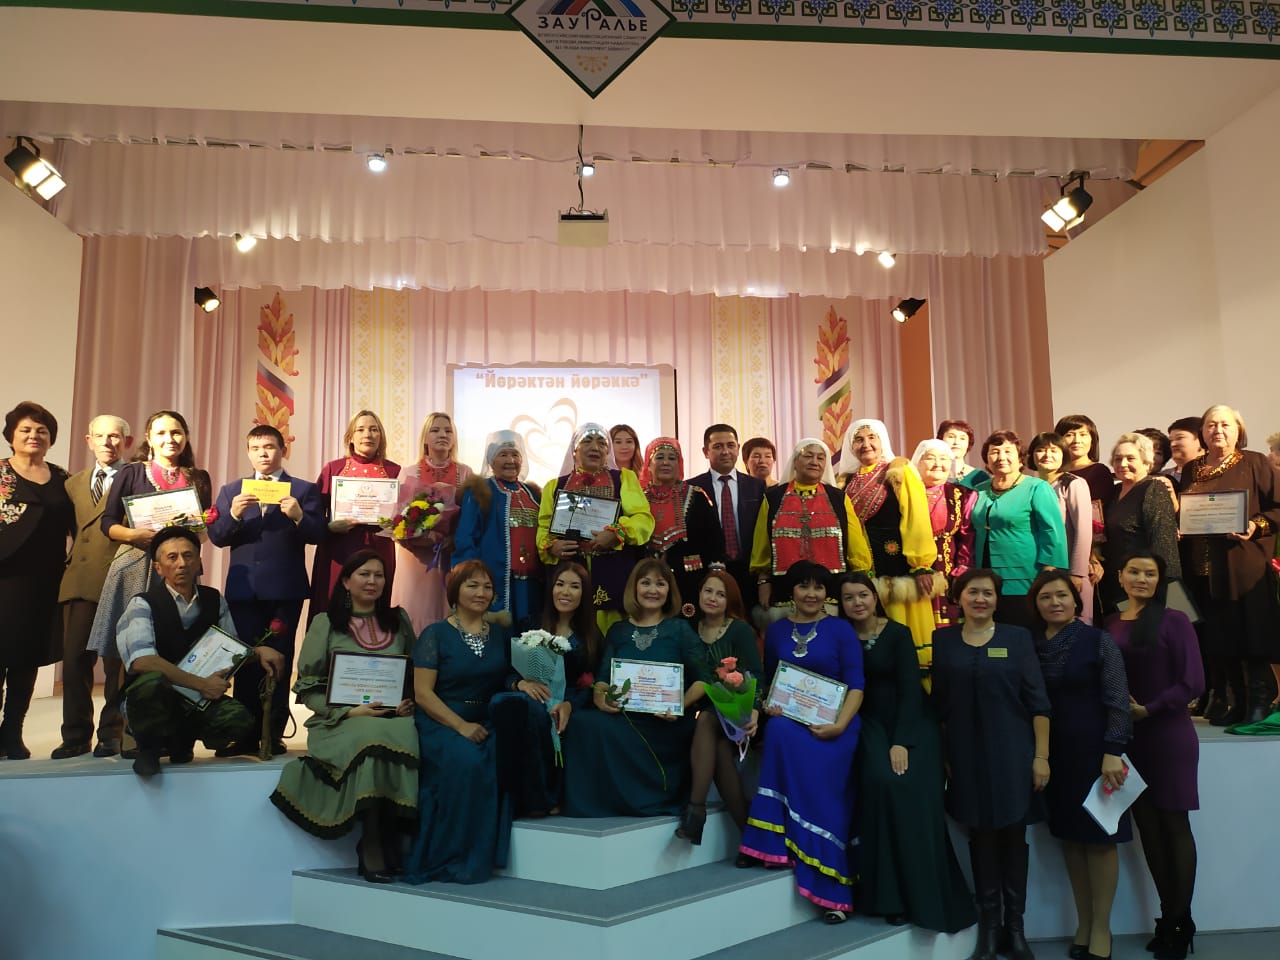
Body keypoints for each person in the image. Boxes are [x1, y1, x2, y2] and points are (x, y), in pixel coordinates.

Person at [836, 571, 975, 933]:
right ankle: (889, 898)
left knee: (908, 788)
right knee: (881, 784)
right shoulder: (839, 635)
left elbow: (911, 689)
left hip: (910, 722)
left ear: (875, 597)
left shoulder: (897, 633)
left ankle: (920, 895)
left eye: (863, 595)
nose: (857, 603)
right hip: (866, 723)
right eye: (849, 597)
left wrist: (902, 741)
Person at [269, 550, 418, 882]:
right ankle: (373, 841)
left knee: (408, 732)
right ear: (346, 581)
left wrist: (408, 701)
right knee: (370, 738)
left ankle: (392, 833)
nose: (372, 581)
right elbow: (307, 687)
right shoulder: (325, 623)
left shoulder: (399, 620)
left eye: (379, 575)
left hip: (394, 716)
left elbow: (412, 674)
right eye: (364, 574)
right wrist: (349, 710)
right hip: (340, 720)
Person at [931, 568, 1051, 960]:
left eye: (987, 593)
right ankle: (989, 930)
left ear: (998, 599)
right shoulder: (943, 640)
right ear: (959, 598)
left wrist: (1041, 757)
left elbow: (1038, 703)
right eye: (972, 592)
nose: (980, 599)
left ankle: (1015, 931)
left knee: (1014, 839)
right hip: (965, 757)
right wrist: (944, 756)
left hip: (1013, 755)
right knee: (980, 839)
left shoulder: (1017, 639)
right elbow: (940, 707)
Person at [737, 561, 865, 925]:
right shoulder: (777, 630)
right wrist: (768, 706)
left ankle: (831, 884)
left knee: (802, 758)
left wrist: (839, 725)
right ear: (790, 591)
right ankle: (773, 844)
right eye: (803, 586)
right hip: (791, 724)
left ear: (827, 593)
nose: (812, 594)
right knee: (777, 730)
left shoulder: (840, 629)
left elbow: (856, 686)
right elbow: (771, 681)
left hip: (836, 727)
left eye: (819, 587)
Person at [115, 526, 283, 777]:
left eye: (188, 555)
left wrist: (258, 651)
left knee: (239, 720)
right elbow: (142, 661)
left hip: (194, 699)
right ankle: (148, 748)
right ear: (159, 567)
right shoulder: (142, 603)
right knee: (152, 682)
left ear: (199, 562)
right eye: (172, 557)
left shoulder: (214, 599)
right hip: (154, 698)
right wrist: (201, 684)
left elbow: (230, 648)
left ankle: (181, 741)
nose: (181, 563)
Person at [1028, 570, 1132, 960]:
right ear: (1036, 605)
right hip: (1054, 756)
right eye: (1045, 597)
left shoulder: (1098, 640)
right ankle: (1083, 925)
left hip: (1097, 754)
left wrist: (1113, 749)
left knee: (1101, 840)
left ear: (1076, 601)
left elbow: (1118, 700)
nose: (1054, 602)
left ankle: (1102, 929)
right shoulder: (1031, 645)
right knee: (1071, 839)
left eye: (1062, 595)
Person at [1106, 552, 1204, 960]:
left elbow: (1193, 681)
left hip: (1168, 735)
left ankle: (1181, 921)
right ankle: (1168, 917)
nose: (1141, 578)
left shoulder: (1174, 620)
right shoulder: (1111, 623)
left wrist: (1150, 708)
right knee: (1147, 828)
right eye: (1134, 572)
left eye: (1150, 573)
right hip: (1130, 739)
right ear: (1120, 577)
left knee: (1174, 825)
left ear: (1159, 580)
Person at [207, 424, 327, 756]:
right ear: (248, 453)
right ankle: (244, 734)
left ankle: (272, 732)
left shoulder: (303, 490)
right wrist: (232, 514)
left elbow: (319, 534)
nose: (263, 453)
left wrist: (300, 516)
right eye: (256, 448)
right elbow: (217, 537)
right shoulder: (232, 491)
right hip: (243, 590)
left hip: (285, 590)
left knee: (279, 661)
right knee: (244, 659)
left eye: (270, 447)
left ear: (283, 450)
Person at [406, 560, 527, 883]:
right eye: (472, 585)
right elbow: (423, 694)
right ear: (455, 590)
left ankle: (486, 853)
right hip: (441, 721)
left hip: (484, 719)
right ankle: (452, 856)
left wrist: (520, 683)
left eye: (487, 587)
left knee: (502, 756)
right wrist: (460, 727)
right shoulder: (435, 634)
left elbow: (505, 675)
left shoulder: (499, 634)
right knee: (469, 761)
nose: (481, 592)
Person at [561, 558, 708, 818]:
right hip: (626, 717)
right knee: (582, 722)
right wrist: (601, 698)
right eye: (645, 583)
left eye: (660, 584)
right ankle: (600, 802)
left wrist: (678, 705)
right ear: (634, 588)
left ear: (669, 590)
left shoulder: (679, 629)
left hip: (666, 722)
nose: (652, 590)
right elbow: (603, 679)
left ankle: (654, 796)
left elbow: (704, 680)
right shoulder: (618, 631)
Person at [1178, 404, 1280, 725]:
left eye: (1225, 424)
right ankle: (1236, 700)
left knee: (1249, 631)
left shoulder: (1255, 463)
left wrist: (1255, 525)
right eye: (1211, 425)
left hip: (1242, 564)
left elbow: (1277, 507)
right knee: (1218, 635)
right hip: (1201, 568)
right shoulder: (1191, 469)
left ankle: (1260, 699)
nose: (1217, 430)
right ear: (1202, 432)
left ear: (1238, 431)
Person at [88, 410, 213, 662]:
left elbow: (203, 531)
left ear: (186, 436)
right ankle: (116, 689)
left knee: (177, 642)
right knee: (126, 644)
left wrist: (199, 531)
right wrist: (134, 535)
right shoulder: (131, 472)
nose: (169, 439)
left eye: (176, 432)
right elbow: (108, 523)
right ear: (149, 438)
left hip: (181, 566)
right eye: (161, 433)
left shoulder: (199, 478)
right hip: (136, 565)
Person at [52, 414, 133, 759]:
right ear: (88, 441)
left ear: (127, 442)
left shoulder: (137, 478)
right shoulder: (72, 484)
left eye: (115, 436)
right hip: (79, 580)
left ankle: (111, 733)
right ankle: (75, 735)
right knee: (74, 662)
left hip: (120, 579)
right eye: (100, 436)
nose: (107, 442)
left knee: (117, 664)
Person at [0, 402, 75, 759]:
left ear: (51, 438)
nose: (34, 436)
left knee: (27, 659)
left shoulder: (62, 478)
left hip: (44, 583)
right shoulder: (0, 473)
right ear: (11, 436)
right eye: (26, 430)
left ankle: (12, 732)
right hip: (4, 580)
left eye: (41, 431)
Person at [839, 419, 940, 684]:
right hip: (862, 572)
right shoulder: (845, 481)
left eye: (872, 437)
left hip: (899, 567)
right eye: (858, 439)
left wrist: (920, 563)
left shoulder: (898, 470)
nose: (866, 444)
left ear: (882, 440)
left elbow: (916, 517)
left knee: (903, 636)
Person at [496, 561, 598, 817]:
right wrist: (520, 683)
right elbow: (505, 670)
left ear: (584, 593)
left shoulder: (591, 635)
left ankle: (562, 796)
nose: (566, 592)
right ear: (551, 588)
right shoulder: (529, 624)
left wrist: (571, 705)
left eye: (575, 586)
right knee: (529, 714)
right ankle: (534, 799)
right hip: (535, 697)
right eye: (560, 584)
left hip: (570, 702)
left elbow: (595, 683)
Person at [537, 422, 654, 634]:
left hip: (614, 569)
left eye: (602, 443)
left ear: (607, 451)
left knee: (613, 634)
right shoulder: (554, 486)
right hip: (570, 570)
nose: (595, 447)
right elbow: (544, 526)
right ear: (574, 450)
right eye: (587, 441)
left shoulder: (624, 479)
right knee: (570, 633)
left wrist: (617, 532)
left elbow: (642, 518)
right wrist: (552, 546)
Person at [677, 568, 762, 844]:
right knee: (721, 752)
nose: (713, 598)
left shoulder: (739, 630)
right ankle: (749, 840)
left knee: (706, 720)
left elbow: (757, 675)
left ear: (730, 600)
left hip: (736, 710)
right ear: (699, 593)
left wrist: (755, 712)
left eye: (721, 594)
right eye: (708, 591)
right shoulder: (688, 627)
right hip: (697, 708)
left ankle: (696, 809)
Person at [751, 438, 870, 613]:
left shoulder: (839, 499)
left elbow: (855, 545)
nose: (814, 462)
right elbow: (762, 547)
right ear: (795, 462)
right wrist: (763, 582)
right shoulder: (773, 499)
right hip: (785, 589)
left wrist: (861, 579)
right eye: (808, 456)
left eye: (820, 458)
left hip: (833, 589)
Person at [308, 410, 401, 626]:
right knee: (334, 610)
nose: (367, 434)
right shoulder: (334, 468)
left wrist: (396, 524)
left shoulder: (394, 471)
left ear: (381, 436)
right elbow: (314, 516)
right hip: (339, 549)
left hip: (379, 549)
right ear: (350, 437)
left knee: (376, 610)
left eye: (373, 429)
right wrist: (330, 527)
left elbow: (404, 516)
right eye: (360, 429)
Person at [972, 429, 1069, 628]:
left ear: (1020, 458)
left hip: (1025, 576)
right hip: (984, 577)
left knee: (1023, 632)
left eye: (1008, 451)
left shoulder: (1037, 487)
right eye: (994, 452)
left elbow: (1052, 531)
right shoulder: (978, 490)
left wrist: (1049, 572)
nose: (1001, 457)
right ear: (986, 459)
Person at [453, 430, 543, 631]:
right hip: (497, 580)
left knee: (532, 634)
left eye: (515, 455)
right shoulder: (481, 491)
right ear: (491, 460)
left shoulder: (533, 494)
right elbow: (466, 537)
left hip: (532, 584)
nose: (511, 460)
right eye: (503, 455)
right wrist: (470, 578)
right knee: (498, 636)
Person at [392, 412, 473, 633]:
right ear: (425, 438)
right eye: (435, 430)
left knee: (449, 614)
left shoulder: (466, 473)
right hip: (415, 561)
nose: (442, 435)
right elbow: (396, 520)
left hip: (451, 559)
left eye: (448, 431)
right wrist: (415, 535)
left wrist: (452, 538)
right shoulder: (408, 472)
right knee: (414, 616)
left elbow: (472, 519)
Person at [639, 437, 725, 609]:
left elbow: (714, 541)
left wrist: (715, 576)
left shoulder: (697, 495)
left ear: (679, 464)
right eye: (659, 457)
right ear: (648, 464)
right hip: (648, 581)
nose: (665, 462)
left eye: (672, 458)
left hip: (691, 579)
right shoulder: (639, 498)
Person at [688, 424, 766, 611]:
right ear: (705, 452)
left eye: (730, 445)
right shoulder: (691, 488)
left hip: (748, 570)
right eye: (718, 446)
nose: (725, 451)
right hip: (708, 572)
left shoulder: (756, 486)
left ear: (738, 448)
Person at [1100, 433, 1180, 614]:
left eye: (1130, 458)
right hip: (1115, 582)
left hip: (1143, 585)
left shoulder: (1154, 489)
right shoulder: (1114, 491)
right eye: (1117, 459)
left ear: (1146, 462)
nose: (1122, 464)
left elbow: (1164, 546)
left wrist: (1165, 591)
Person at [1027, 431, 1095, 623]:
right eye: (1041, 450)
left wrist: (1077, 573)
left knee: (1076, 627)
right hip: (1038, 571)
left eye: (1054, 450)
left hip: (1069, 572)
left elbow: (1083, 531)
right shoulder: (1029, 486)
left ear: (1064, 455)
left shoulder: (1072, 484)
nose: (1047, 455)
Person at [912, 439, 975, 629]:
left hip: (950, 577)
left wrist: (961, 571)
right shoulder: (905, 494)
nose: (938, 464)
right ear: (918, 461)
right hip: (913, 580)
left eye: (944, 458)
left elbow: (967, 536)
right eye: (930, 458)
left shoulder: (963, 494)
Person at [1056, 414, 1115, 526]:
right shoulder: (1055, 473)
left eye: (1083, 435)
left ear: (1092, 440)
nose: (1076, 440)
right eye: (1069, 435)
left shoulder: (1099, 472)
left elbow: (1096, 514)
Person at [938, 418, 988, 489]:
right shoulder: (932, 474)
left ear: (968, 443)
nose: (956, 442)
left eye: (962, 438)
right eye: (951, 437)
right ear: (940, 440)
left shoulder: (979, 477)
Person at [1162, 417, 1204, 486]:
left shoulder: (1215, 474)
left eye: (1180, 438)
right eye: (1171, 440)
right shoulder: (1163, 477)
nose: (1173, 444)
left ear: (1201, 440)